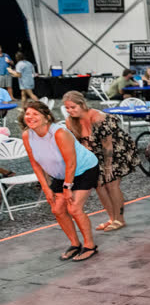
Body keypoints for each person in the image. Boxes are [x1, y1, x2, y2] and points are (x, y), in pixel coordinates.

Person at [20, 101, 100, 261]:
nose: (30, 117)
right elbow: (35, 164)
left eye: (35, 114)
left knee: (74, 209)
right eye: (28, 114)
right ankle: (75, 244)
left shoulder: (59, 133)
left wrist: (67, 187)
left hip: (83, 170)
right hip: (60, 174)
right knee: (57, 210)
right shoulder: (27, 135)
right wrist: (46, 188)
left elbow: (71, 163)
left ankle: (90, 245)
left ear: (47, 117)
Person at [62, 90, 138, 232]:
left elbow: (108, 145)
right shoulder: (70, 122)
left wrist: (108, 167)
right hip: (94, 154)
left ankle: (120, 219)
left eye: (73, 107)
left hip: (115, 150)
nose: (70, 111)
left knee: (111, 183)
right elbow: (76, 144)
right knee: (99, 185)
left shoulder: (98, 117)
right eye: (67, 108)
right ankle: (112, 218)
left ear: (82, 104)